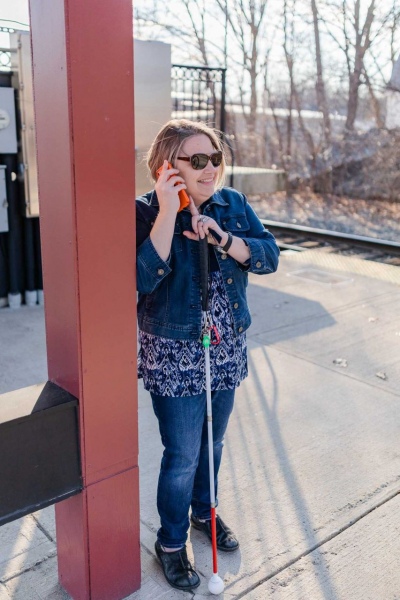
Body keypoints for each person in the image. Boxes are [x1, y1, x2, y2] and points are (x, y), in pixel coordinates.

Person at [136, 119, 280, 591]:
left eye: (214, 158)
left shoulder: (232, 204)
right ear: (167, 167)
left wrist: (221, 236)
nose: (209, 168)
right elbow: (139, 279)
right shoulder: (142, 212)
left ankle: (205, 513)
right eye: (196, 160)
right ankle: (172, 542)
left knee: (212, 443)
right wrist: (165, 212)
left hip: (225, 348)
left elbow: (267, 255)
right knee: (181, 453)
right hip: (175, 352)